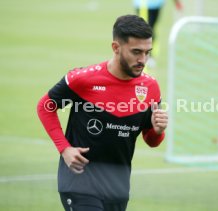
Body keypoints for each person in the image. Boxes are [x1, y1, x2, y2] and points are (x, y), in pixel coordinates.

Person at [37, 14, 168, 211]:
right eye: (136, 52)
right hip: (79, 183)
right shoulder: (83, 80)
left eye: (147, 52)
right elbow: (45, 107)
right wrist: (64, 149)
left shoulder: (150, 87)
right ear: (116, 48)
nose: (143, 60)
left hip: (118, 188)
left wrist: (158, 130)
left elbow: (151, 140)